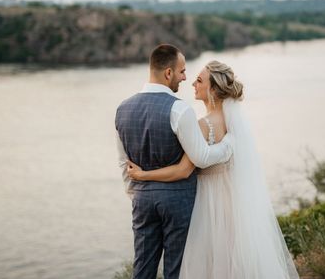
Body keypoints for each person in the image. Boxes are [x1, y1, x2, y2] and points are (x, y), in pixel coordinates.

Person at [127, 60, 300, 279]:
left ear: (214, 89)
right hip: (233, 198)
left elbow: (182, 170)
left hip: (208, 201)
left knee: (210, 263)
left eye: (199, 80)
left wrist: (143, 175)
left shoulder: (202, 125)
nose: (192, 83)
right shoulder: (235, 124)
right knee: (232, 261)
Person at [115, 45, 233, 279]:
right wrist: (227, 147)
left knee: (143, 266)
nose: (185, 77)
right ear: (168, 73)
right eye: (181, 71)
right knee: (177, 269)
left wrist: (137, 192)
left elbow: (124, 163)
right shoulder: (180, 109)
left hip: (142, 198)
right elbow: (200, 157)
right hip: (178, 199)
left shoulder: (122, 109)